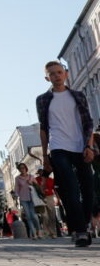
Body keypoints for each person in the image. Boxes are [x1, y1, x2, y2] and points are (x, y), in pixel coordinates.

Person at [36, 60, 94, 247]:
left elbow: (88, 123)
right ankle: (80, 231)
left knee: (88, 190)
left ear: (66, 74)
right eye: (52, 73)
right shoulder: (43, 99)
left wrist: (89, 146)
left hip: (80, 146)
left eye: (59, 72)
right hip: (58, 147)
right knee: (70, 189)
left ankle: (82, 225)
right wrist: (45, 156)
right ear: (47, 78)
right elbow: (44, 128)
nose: (56, 76)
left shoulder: (77, 96)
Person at [13, 163, 41, 239]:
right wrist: (15, 196)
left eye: (23, 168)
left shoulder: (31, 177)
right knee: (28, 217)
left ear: (26, 168)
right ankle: (34, 234)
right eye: (20, 168)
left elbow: (37, 186)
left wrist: (31, 183)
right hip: (23, 199)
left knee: (34, 216)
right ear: (19, 170)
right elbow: (16, 188)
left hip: (32, 198)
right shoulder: (17, 178)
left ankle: (39, 231)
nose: (22, 169)